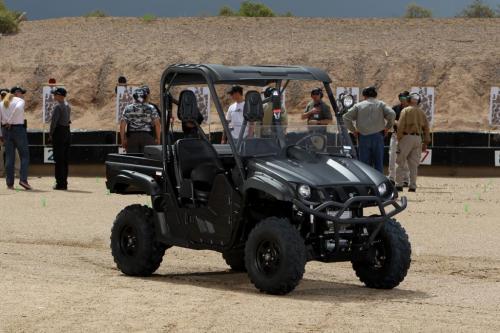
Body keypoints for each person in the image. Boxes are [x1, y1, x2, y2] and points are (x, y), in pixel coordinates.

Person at [343, 86, 395, 173]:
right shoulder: (381, 104)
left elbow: (346, 117)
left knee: (364, 164)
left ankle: (367, 183)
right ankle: (379, 183)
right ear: (375, 95)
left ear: (364, 95)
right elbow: (392, 114)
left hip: (363, 137)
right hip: (378, 136)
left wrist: (353, 130)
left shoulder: (358, 105)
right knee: (378, 162)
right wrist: (387, 128)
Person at [395, 93, 431, 192]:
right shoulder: (422, 112)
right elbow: (426, 128)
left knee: (400, 162)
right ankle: (413, 186)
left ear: (409, 100)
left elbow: (401, 125)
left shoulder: (405, 110)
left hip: (406, 137)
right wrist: (426, 142)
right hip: (418, 139)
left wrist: (399, 138)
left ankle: (399, 184)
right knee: (414, 164)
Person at [0, 86, 32, 190]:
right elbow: (18, 109)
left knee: (9, 157)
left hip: (5, 130)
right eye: (21, 92)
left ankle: (9, 183)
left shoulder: (2, 103)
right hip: (18, 129)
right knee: (25, 156)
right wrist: (10, 120)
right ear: (17, 93)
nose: (22, 94)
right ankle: (23, 180)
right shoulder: (19, 101)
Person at [120, 88, 161, 153]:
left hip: (132, 138)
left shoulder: (128, 108)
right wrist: (158, 139)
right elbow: (157, 124)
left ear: (134, 97)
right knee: (148, 160)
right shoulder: (151, 108)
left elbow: (122, 125)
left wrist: (123, 140)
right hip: (147, 138)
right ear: (145, 97)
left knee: (133, 160)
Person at [49, 88, 71, 190]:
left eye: (55, 95)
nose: (54, 96)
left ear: (59, 95)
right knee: (65, 159)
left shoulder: (58, 107)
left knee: (58, 159)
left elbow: (54, 123)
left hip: (59, 133)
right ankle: (64, 182)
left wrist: (50, 134)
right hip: (66, 132)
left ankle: (60, 183)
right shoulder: (67, 106)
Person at [388, 91, 411, 185]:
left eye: (404, 99)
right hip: (396, 135)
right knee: (392, 156)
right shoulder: (395, 108)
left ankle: (405, 179)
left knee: (405, 158)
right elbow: (391, 119)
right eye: (401, 99)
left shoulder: (412, 109)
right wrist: (396, 122)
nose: (402, 101)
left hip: (407, 136)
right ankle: (392, 178)